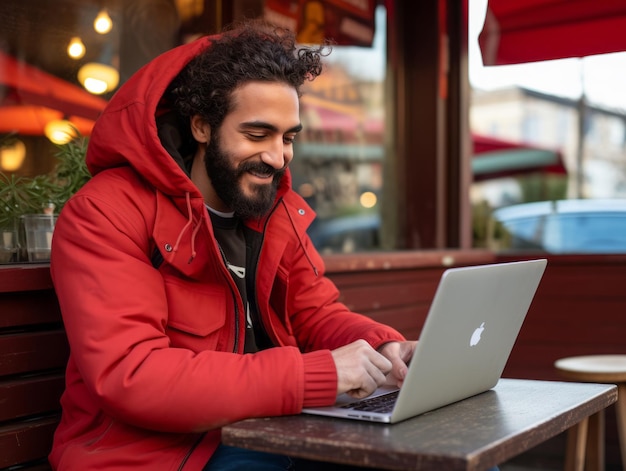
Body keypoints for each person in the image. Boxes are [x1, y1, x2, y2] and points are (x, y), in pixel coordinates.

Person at [49, 19, 416, 471]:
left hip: (270, 429)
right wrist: (313, 375)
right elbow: (133, 375)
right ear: (202, 127)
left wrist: (381, 349)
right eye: (257, 135)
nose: (277, 157)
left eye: (288, 138)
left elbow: (315, 313)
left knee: (437, 461)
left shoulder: (273, 209)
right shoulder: (106, 211)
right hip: (159, 455)